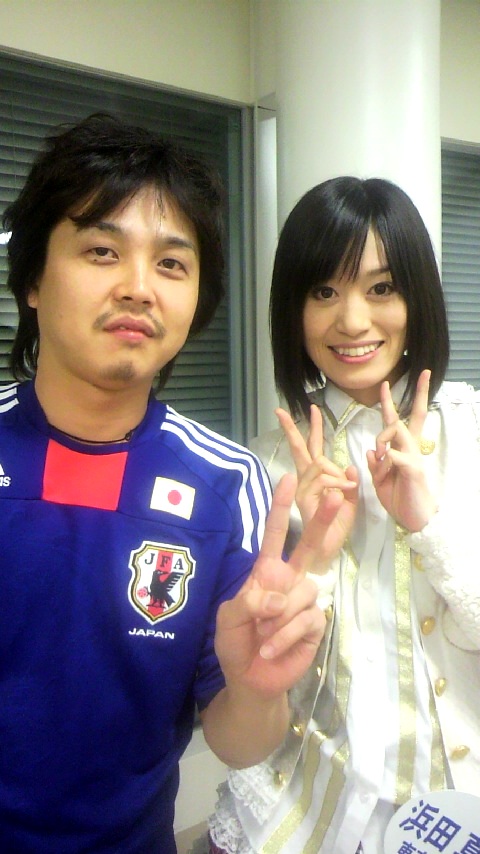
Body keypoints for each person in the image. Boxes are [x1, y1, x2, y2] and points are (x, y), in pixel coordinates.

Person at [0, 115, 357, 854]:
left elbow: (237, 742)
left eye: (170, 263)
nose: (138, 288)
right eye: (102, 251)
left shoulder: (227, 485)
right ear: (33, 279)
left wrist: (256, 686)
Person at [209, 177, 480, 854]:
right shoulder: (264, 464)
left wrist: (429, 526)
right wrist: (315, 560)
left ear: (417, 297)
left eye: (381, 288)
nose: (353, 321)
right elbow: (259, 682)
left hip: (459, 810)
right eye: (324, 291)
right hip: (305, 811)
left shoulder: (471, 432)